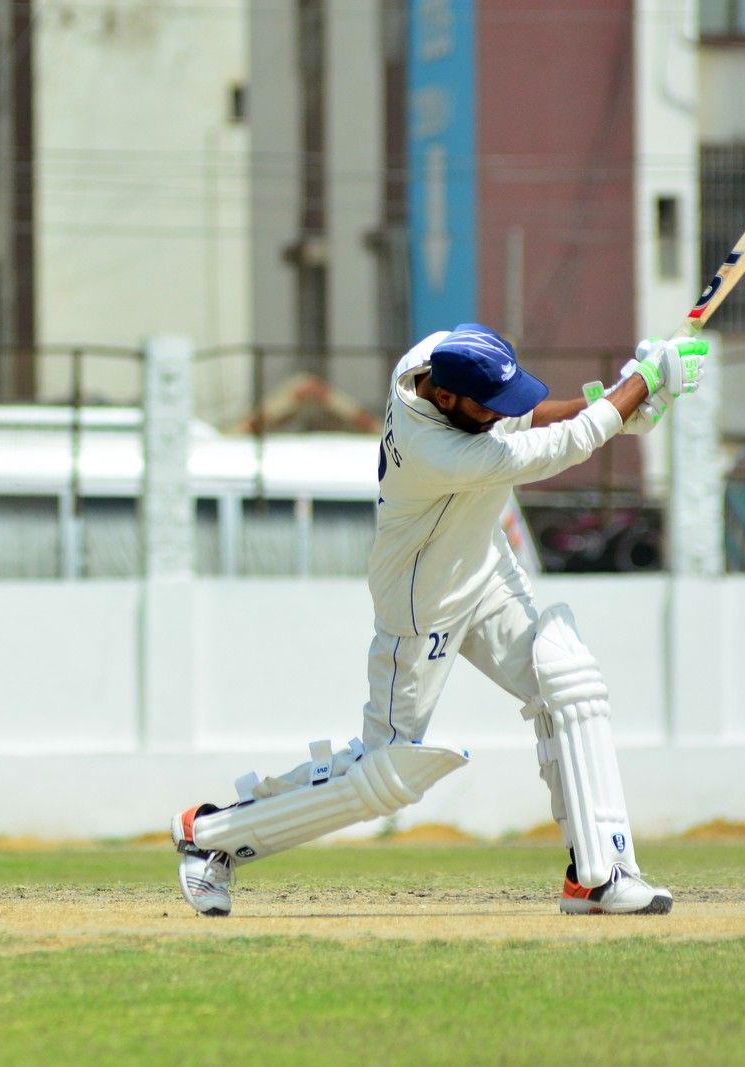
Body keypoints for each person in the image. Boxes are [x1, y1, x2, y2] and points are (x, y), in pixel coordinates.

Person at [171, 324, 708, 917]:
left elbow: (528, 417)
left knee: (568, 681)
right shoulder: (436, 449)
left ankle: (599, 875)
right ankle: (212, 837)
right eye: (488, 406)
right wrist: (640, 386)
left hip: (484, 569)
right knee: (386, 774)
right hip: (422, 604)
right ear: (445, 398)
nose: (500, 412)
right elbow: (562, 446)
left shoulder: (438, 361)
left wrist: (615, 401)